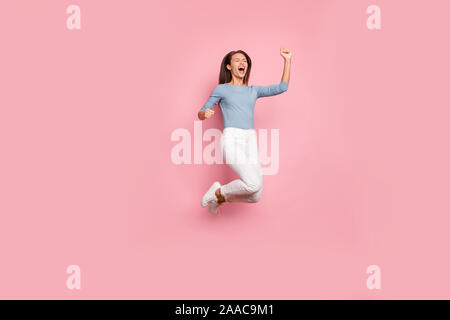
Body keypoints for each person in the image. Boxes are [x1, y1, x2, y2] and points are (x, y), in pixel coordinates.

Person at [198, 48, 292, 213]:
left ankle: (219, 196)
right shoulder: (222, 89)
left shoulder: (253, 91)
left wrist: (288, 60)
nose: (242, 63)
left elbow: (282, 87)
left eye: (245, 61)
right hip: (232, 138)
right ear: (228, 66)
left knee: (256, 195)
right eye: (237, 60)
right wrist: (205, 114)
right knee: (252, 184)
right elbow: (201, 112)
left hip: (250, 140)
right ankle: (218, 192)